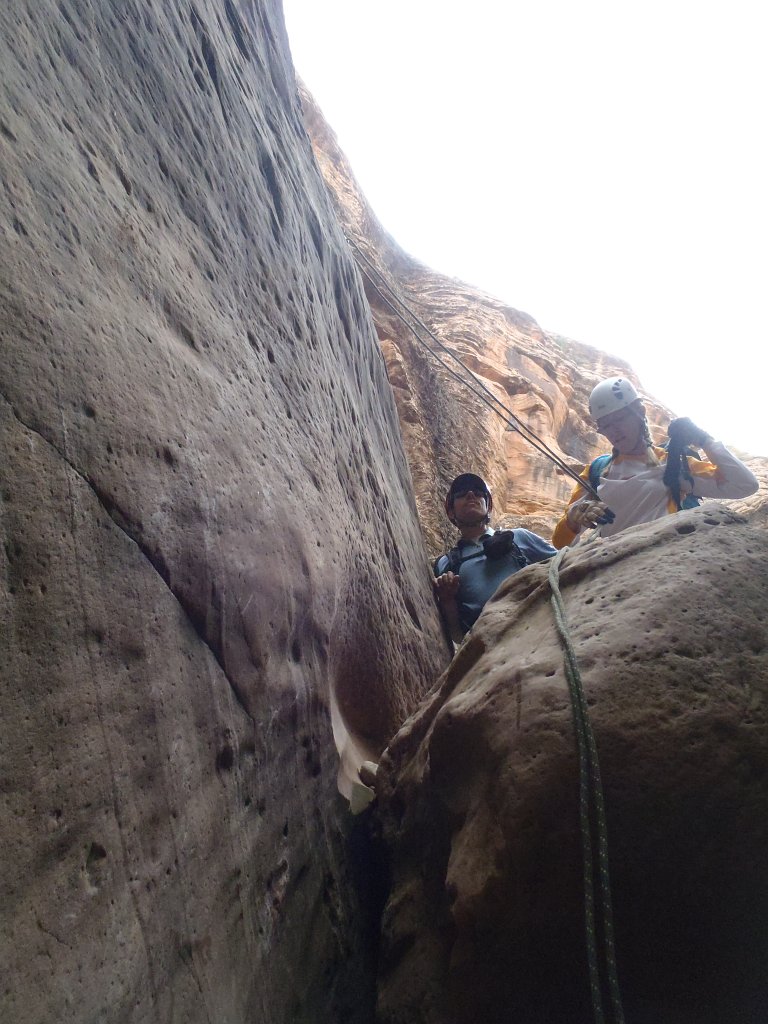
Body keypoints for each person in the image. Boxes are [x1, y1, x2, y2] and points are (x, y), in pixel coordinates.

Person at [552, 376, 759, 548]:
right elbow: (560, 543)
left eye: (619, 419)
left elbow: (744, 485)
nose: (613, 431)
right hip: (614, 566)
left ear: (640, 412)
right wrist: (573, 517)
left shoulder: (673, 464)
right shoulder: (597, 470)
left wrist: (704, 440)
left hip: (663, 558)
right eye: (605, 425)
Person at [433, 473, 557, 642]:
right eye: (461, 493)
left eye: (478, 492)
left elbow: (564, 564)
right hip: (489, 644)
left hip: (539, 630)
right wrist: (447, 599)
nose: (471, 494)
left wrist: (572, 524)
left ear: (488, 506)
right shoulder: (446, 564)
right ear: (450, 511)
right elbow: (456, 634)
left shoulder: (519, 537)